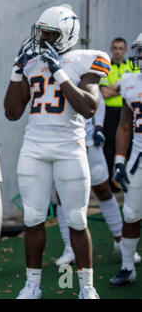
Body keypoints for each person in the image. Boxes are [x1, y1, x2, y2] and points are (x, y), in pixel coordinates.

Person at [4, 4, 110, 299]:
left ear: (65, 35)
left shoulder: (85, 60)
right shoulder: (31, 61)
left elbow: (88, 107)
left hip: (69, 148)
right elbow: (11, 112)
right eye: (40, 33)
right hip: (34, 147)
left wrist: (58, 71)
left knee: (77, 219)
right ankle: (33, 286)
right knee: (33, 218)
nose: (41, 40)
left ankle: (87, 288)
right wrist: (16, 70)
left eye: (48, 34)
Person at [55, 92, 141, 266]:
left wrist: (99, 127)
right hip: (62, 142)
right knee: (62, 195)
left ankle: (120, 239)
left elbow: (97, 96)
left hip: (88, 139)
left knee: (102, 189)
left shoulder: (83, 68)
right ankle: (69, 248)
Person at [109, 32, 142, 287]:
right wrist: (120, 160)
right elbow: (124, 125)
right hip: (138, 158)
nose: (139, 58)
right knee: (131, 213)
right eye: (138, 51)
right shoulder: (130, 81)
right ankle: (128, 267)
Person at [100, 37, 139, 191]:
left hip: (129, 111)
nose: (118, 51)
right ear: (111, 49)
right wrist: (122, 88)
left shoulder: (131, 65)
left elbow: (136, 89)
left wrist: (115, 87)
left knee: (129, 146)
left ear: (125, 50)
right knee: (109, 148)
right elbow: (104, 93)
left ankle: (128, 180)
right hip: (110, 113)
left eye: (121, 48)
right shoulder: (106, 67)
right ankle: (112, 184)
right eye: (115, 48)